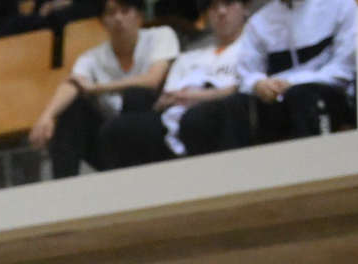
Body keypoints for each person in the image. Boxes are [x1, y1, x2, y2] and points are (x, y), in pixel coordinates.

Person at [28, 0, 181, 177]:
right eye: (111, 13)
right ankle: (64, 186)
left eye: (125, 11)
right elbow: (73, 83)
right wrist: (47, 116)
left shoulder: (161, 36)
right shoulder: (92, 57)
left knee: (136, 96)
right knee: (73, 110)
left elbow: (152, 80)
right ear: (101, 22)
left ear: (140, 15)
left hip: (154, 135)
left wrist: (97, 88)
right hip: (111, 146)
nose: (118, 18)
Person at [177, 0, 355, 152]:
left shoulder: (340, 5)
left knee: (300, 95)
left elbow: (344, 68)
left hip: (329, 93)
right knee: (224, 110)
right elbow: (246, 72)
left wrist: (291, 82)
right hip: (277, 97)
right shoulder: (261, 21)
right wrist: (258, 83)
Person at [94, 0, 251, 168]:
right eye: (213, 7)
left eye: (228, 3)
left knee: (196, 119)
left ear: (245, 8)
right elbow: (167, 98)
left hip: (217, 113)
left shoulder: (251, 48)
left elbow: (245, 86)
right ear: (206, 16)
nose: (221, 12)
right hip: (174, 117)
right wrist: (172, 100)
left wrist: (198, 96)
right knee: (116, 129)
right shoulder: (189, 58)